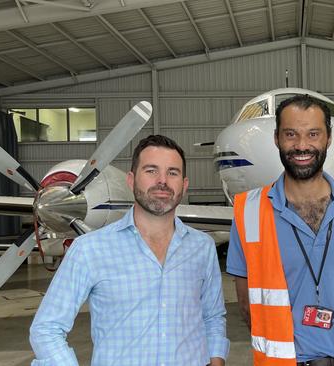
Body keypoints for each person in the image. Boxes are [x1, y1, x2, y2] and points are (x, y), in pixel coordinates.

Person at [29, 135, 229, 366]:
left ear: (184, 185)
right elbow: (47, 328)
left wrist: (216, 360)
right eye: (151, 170)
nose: (162, 181)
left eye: (172, 172)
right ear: (131, 180)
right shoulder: (89, 249)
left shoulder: (202, 247)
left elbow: (213, 317)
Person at [226, 94, 334, 366]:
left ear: (328, 138)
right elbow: (246, 305)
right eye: (291, 134)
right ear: (277, 139)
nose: (302, 145)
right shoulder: (248, 211)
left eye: (313, 134)